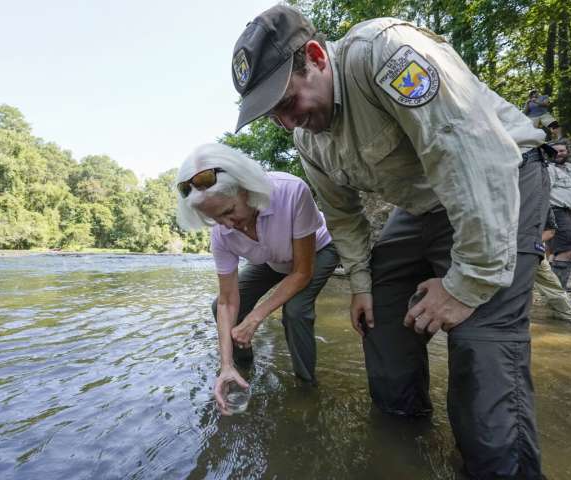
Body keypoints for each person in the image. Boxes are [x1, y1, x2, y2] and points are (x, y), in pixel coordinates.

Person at [229, 5, 549, 477]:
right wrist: (360, 284)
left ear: (316, 57)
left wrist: (467, 282)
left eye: (287, 101)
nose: (288, 122)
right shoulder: (308, 141)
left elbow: (473, 157)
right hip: (420, 205)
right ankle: (404, 448)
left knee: (482, 347)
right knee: (378, 315)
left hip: (503, 179)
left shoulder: (389, 54)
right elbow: (344, 216)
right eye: (273, 115)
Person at [175, 143, 338, 415]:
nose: (227, 225)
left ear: (246, 189)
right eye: (215, 219)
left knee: (296, 311)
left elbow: (301, 272)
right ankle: (240, 368)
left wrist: (254, 318)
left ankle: (306, 387)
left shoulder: (291, 191)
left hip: (317, 251)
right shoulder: (222, 232)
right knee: (219, 306)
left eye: (229, 212)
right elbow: (228, 302)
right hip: (272, 259)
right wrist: (224, 363)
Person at [546, 140, 571, 304]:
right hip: (556, 211)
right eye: (555, 151)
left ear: (567, 151)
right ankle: (558, 298)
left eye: (562, 150)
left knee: (555, 253)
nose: (559, 153)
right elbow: (543, 192)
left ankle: (555, 294)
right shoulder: (548, 169)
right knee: (567, 250)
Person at [534, 209, 571, 321]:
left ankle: (565, 317)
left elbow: (550, 232)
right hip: (525, 248)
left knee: (551, 286)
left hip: (532, 250)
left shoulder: (542, 203)